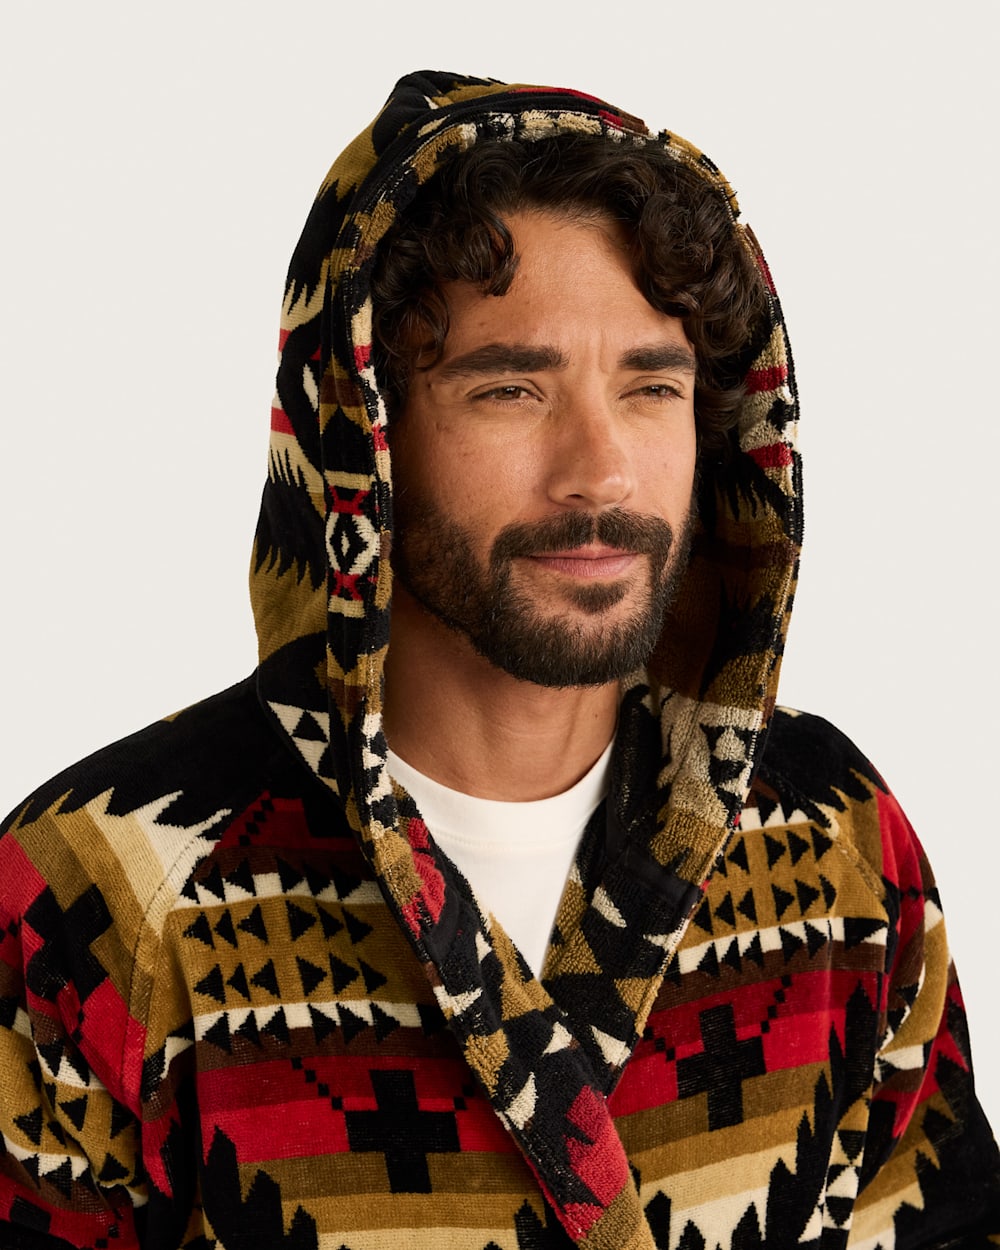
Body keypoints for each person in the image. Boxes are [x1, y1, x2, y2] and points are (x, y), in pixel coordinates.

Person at [0, 68, 996, 1250]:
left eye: (652, 386)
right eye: (511, 387)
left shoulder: (834, 842)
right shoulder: (101, 891)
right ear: (363, 435)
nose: (600, 469)